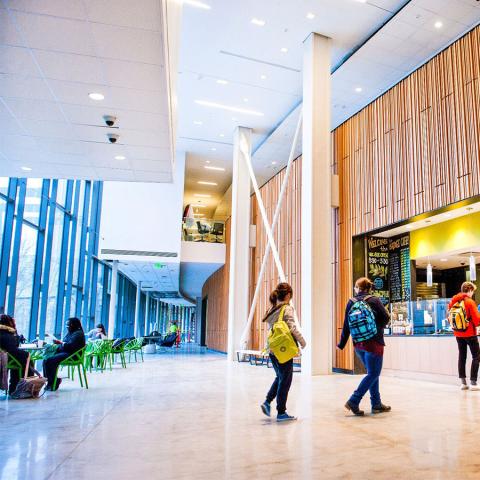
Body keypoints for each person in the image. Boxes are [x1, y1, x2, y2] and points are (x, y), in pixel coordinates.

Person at [337, 277, 391, 416]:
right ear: (369, 288)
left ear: (357, 288)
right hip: (374, 343)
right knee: (373, 373)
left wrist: (341, 344)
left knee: (372, 373)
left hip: (358, 343)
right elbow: (386, 317)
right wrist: (376, 328)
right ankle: (354, 400)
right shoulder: (374, 300)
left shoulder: (351, 302)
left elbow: (346, 325)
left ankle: (376, 404)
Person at [260, 282, 306, 422]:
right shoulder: (286, 309)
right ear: (288, 295)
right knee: (285, 380)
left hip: (272, 348)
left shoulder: (272, 309)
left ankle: (267, 402)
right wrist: (302, 341)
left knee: (280, 377)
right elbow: (292, 327)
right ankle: (281, 412)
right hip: (284, 350)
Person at [448, 281, 480, 390]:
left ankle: (463, 383)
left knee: (462, 356)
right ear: (470, 290)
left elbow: (449, 317)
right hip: (470, 333)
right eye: (472, 291)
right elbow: (477, 319)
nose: (472, 293)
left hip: (458, 333)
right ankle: (473, 383)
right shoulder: (469, 302)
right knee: (476, 356)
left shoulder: (453, 301)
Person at [43, 317, 86, 391]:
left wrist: (61, 343)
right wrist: (60, 343)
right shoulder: (71, 333)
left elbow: (71, 346)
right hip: (66, 352)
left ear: (73, 325)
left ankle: (53, 382)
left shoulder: (78, 334)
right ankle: (51, 381)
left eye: (68, 325)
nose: (67, 327)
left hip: (72, 355)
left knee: (51, 360)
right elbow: (65, 342)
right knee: (46, 359)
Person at [0, 314, 33, 395]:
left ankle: (13, 388)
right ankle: (24, 388)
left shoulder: (3, 332)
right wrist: (27, 354)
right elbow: (13, 349)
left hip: (4, 358)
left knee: (20, 360)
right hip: (7, 359)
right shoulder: (7, 334)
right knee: (27, 360)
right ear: (9, 322)